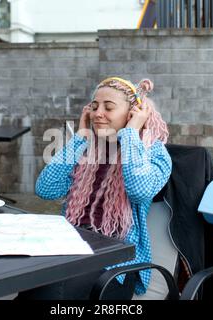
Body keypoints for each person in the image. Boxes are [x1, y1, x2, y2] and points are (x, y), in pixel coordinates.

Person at [16, 77, 172, 300]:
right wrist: (79, 138)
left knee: (50, 290)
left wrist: (130, 133)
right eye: (95, 106)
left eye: (109, 107)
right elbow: (46, 189)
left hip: (116, 264)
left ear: (132, 114)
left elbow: (140, 190)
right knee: (30, 278)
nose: (98, 113)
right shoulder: (88, 149)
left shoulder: (154, 153)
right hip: (73, 246)